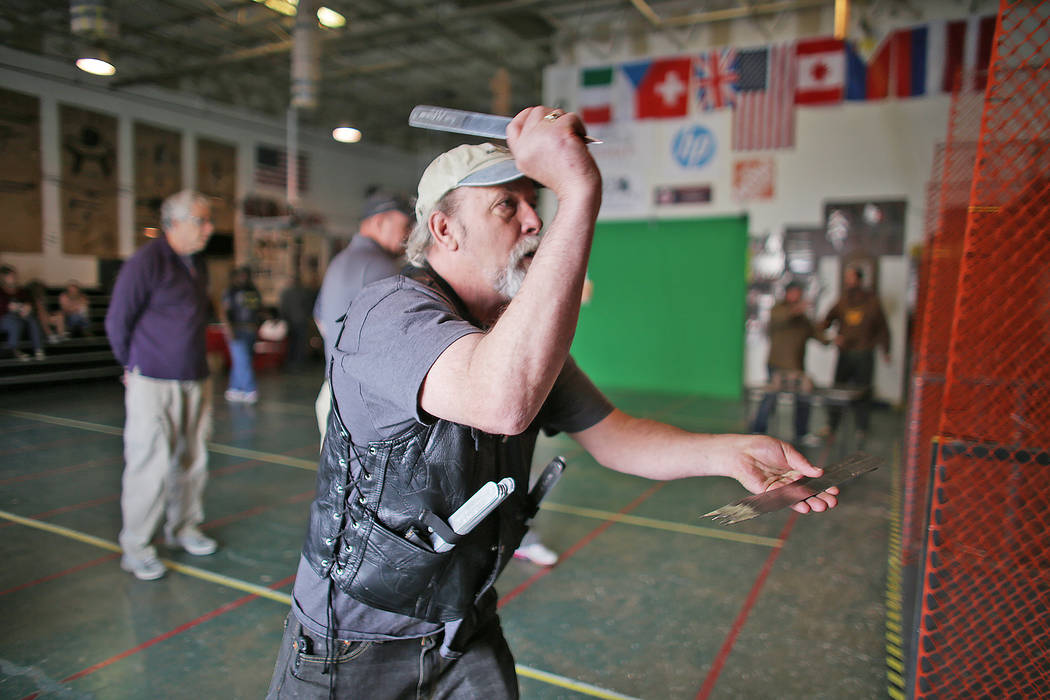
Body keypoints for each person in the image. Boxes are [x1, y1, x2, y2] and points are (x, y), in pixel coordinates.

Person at [266, 107, 838, 699]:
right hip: (357, 642)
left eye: (535, 201)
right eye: (506, 206)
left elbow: (614, 434)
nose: (535, 220)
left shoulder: (512, 336)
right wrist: (580, 191)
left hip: (464, 624)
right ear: (444, 229)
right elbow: (501, 401)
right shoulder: (389, 314)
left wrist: (734, 452)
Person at [104, 189, 218, 581]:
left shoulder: (196, 264)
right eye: (201, 220)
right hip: (152, 379)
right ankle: (136, 547)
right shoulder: (145, 262)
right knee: (149, 463)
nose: (209, 228)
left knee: (192, 460)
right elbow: (118, 321)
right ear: (175, 223)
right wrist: (131, 365)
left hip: (194, 378)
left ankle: (182, 527)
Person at [312, 190, 414, 439]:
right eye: (406, 225)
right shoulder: (382, 267)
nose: (409, 234)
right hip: (362, 406)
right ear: (379, 222)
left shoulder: (340, 261)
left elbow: (320, 319)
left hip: (332, 391)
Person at [750, 280, 827, 445]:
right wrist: (799, 309)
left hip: (796, 367)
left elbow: (818, 335)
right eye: (794, 292)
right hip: (777, 365)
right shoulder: (779, 310)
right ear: (787, 293)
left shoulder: (803, 318)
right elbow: (782, 317)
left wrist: (832, 338)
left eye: (799, 292)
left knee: (804, 400)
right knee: (770, 399)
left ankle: (801, 432)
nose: (797, 295)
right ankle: (757, 430)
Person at [821, 264, 890, 442]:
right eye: (847, 278)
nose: (848, 281)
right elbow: (827, 320)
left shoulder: (871, 301)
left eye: (851, 278)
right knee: (838, 389)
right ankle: (832, 425)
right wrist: (826, 336)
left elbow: (882, 327)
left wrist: (886, 350)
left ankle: (861, 427)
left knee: (862, 392)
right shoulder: (843, 301)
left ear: (859, 280)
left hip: (864, 353)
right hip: (845, 353)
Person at [222, 265, 263, 403]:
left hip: (250, 331)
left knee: (242, 360)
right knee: (242, 359)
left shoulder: (253, 291)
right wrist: (229, 330)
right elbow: (224, 313)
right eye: (241, 275)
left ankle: (235, 388)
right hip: (237, 330)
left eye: (246, 274)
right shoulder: (231, 292)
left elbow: (256, 310)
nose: (244, 277)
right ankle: (249, 389)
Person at [1, 265, 45, 360]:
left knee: (32, 319)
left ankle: (38, 349)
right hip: (4, 318)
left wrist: (28, 307)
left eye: (14, 276)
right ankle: (13, 350)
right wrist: (8, 308)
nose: (14, 278)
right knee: (15, 322)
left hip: (20, 316)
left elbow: (30, 303)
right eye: (11, 276)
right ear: (4, 278)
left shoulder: (21, 291)